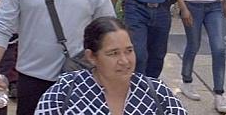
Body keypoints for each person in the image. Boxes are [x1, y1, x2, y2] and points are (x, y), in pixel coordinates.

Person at [34, 17, 187, 115]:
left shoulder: (157, 92)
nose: (124, 61)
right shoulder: (65, 91)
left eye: (129, 51)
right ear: (91, 57)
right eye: (113, 53)